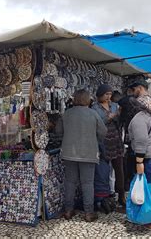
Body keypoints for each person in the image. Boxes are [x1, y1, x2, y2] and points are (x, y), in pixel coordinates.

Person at [121, 97, 151, 233]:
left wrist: (139, 161)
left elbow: (141, 140)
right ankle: (146, 215)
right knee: (149, 188)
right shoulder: (149, 116)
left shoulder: (138, 119)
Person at [56, 89, 107, 222]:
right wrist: (94, 139)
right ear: (87, 99)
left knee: (70, 182)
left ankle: (68, 210)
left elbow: (58, 131)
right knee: (87, 183)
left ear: (74, 100)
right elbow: (103, 132)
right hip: (88, 153)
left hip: (68, 153)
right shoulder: (93, 113)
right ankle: (89, 213)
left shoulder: (66, 114)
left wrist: (67, 138)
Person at [92, 84, 125, 212]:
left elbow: (120, 121)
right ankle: (105, 197)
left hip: (116, 140)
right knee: (103, 171)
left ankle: (121, 195)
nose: (108, 97)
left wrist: (118, 116)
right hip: (103, 142)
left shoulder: (115, 106)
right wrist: (110, 117)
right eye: (106, 94)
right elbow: (98, 123)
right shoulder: (95, 108)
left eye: (110, 94)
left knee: (119, 169)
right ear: (100, 94)